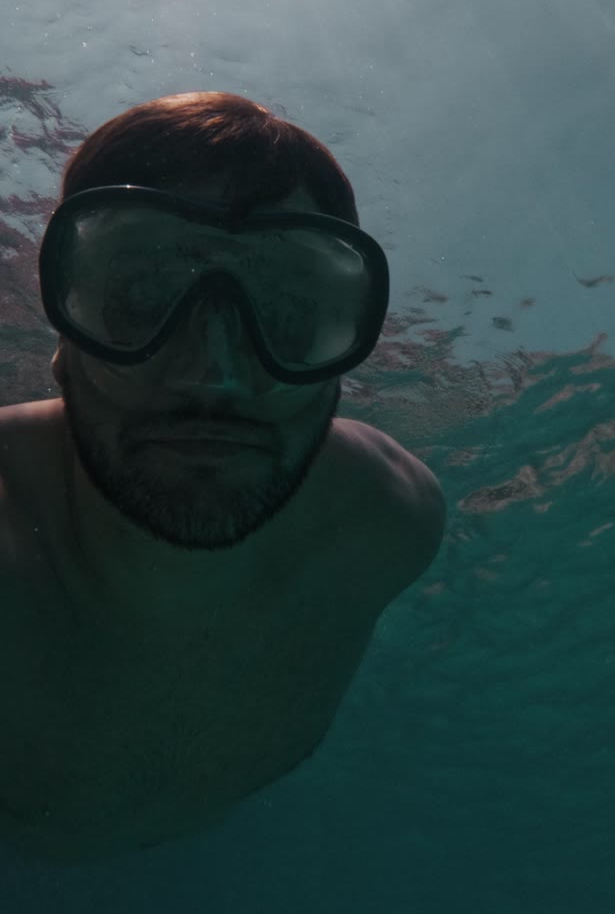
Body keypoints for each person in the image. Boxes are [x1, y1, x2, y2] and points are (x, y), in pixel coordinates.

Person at [0, 92, 445, 864]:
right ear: (65, 335)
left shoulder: (391, 519)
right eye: (140, 296)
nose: (218, 375)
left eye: (288, 311)